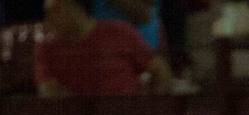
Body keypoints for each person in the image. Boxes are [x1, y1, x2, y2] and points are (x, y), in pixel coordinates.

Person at [35, 0, 170, 95]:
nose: (48, 19)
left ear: (75, 8)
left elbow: (159, 69)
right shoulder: (47, 48)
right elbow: (48, 92)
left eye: (56, 11)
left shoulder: (119, 32)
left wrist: (150, 107)